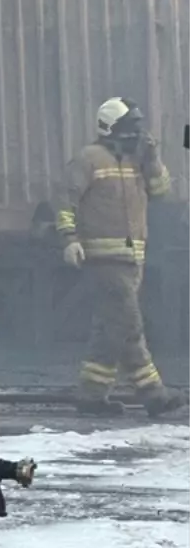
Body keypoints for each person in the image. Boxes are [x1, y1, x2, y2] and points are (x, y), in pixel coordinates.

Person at [56, 98, 175, 416]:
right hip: (103, 259)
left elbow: (162, 191)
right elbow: (66, 202)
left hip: (133, 257)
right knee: (130, 323)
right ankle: (154, 395)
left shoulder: (138, 158)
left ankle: (91, 395)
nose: (136, 133)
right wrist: (69, 238)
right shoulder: (88, 159)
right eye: (129, 127)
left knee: (110, 327)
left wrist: (154, 158)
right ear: (110, 128)